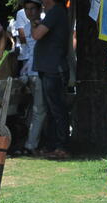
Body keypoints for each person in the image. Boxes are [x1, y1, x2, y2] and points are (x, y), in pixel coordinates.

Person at [31, 0, 70, 159]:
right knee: (53, 110)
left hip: (54, 69)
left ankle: (61, 146)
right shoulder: (55, 13)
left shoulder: (56, 12)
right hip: (48, 68)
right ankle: (52, 145)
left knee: (57, 109)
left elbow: (37, 35)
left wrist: (34, 24)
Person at [20, 0, 46, 155]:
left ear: (39, 9)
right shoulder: (27, 26)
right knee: (37, 110)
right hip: (31, 72)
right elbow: (30, 52)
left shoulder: (41, 25)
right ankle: (30, 143)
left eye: (32, 9)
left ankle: (32, 142)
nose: (30, 12)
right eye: (27, 9)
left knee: (38, 109)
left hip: (38, 71)